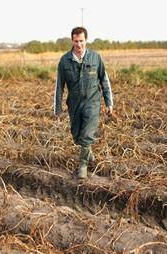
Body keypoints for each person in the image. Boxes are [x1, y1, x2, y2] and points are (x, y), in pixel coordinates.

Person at [53, 26, 114, 179]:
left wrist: (109, 103)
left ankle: (83, 166)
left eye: (81, 41)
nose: (79, 45)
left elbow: (104, 81)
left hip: (92, 102)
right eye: (76, 41)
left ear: (86, 40)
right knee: (77, 136)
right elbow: (59, 85)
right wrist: (58, 108)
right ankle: (89, 153)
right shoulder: (65, 60)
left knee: (87, 134)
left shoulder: (95, 58)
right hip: (74, 104)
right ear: (72, 41)